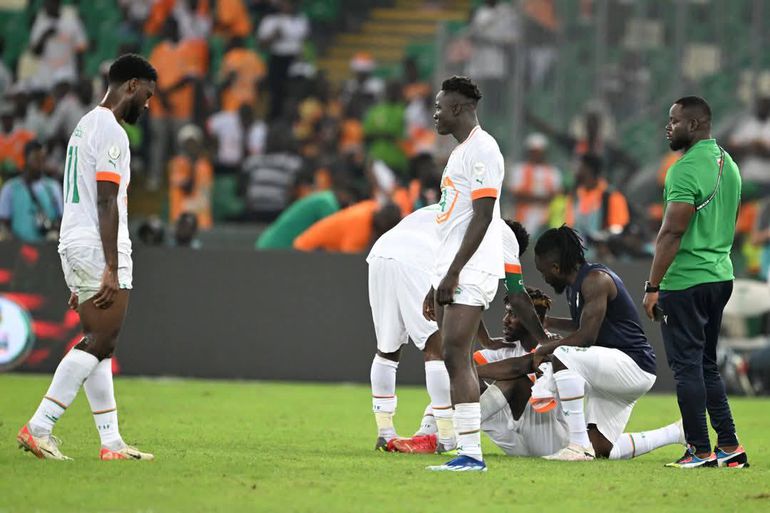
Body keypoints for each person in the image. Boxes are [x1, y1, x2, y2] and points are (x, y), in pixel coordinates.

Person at [16, 54, 157, 461]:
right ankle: (39, 427)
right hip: (97, 243)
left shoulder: (84, 125)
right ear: (131, 85)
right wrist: (110, 266)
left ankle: (111, 443)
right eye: (147, 95)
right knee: (101, 340)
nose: (148, 104)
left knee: (101, 345)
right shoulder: (112, 131)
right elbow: (107, 199)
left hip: (75, 240)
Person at [425, 76, 542, 472]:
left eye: (440, 107)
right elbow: (452, 221)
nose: (435, 114)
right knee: (454, 356)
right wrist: (436, 279)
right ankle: (466, 450)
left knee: (457, 355)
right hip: (451, 269)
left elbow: (483, 215)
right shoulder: (461, 152)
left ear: (458, 108)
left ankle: (471, 453)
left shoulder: (483, 149)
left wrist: (454, 272)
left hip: (469, 269)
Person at [643, 96, 749, 469]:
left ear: (695, 124)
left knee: (687, 366)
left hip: (686, 281)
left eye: (674, 121)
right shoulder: (728, 164)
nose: (668, 127)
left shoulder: (684, 169)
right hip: (720, 276)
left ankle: (699, 450)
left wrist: (652, 286)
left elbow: (672, 232)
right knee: (706, 365)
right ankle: (730, 446)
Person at [532, 226, 657, 461]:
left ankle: (576, 446)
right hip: (615, 370)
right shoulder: (577, 284)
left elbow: (586, 337)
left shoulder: (595, 280)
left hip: (633, 365)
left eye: (543, 271)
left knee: (563, 354)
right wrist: (548, 322)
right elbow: (583, 325)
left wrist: (544, 349)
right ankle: (676, 432)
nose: (544, 278)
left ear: (556, 267)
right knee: (600, 449)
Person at [366, 205, 454, 453]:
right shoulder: (477, 215)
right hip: (417, 258)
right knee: (436, 346)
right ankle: (447, 436)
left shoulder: (437, 206)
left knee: (387, 348)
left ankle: (385, 432)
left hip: (381, 253)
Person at [255, 184, 354, 250]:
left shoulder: (323, 197)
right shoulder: (326, 203)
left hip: (268, 244)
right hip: (275, 248)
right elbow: (335, 232)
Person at [0, 141, 63, 243]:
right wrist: (12, 242)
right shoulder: (10, 188)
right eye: (36, 159)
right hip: (18, 248)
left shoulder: (53, 188)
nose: (40, 164)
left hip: (47, 247)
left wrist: (54, 231)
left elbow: (62, 219)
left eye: (43, 159)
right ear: (26, 158)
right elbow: (4, 223)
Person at [257, 0, 309, 120]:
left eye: (290, 3)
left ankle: (294, 117)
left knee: (294, 91)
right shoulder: (270, 20)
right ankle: (275, 117)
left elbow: (304, 42)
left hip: (294, 59)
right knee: (276, 91)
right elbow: (261, 44)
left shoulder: (300, 20)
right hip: (277, 58)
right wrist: (274, 36)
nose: (287, 5)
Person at [293, 200, 401, 254]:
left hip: (314, 247)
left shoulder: (371, 206)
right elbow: (348, 260)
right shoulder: (361, 228)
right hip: (307, 251)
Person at [507, 133, 562, 235]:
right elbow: (517, 195)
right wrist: (541, 198)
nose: (536, 155)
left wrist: (530, 197)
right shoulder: (519, 170)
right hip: (522, 220)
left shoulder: (553, 172)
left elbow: (555, 197)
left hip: (545, 221)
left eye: (539, 152)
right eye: (534, 151)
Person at [168, 124, 213, 230]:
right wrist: (192, 164)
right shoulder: (176, 163)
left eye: (194, 143)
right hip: (179, 219)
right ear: (182, 145)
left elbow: (205, 193)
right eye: (188, 143)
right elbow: (187, 186)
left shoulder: (204, 165)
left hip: (202, 221)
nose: (191, 147)